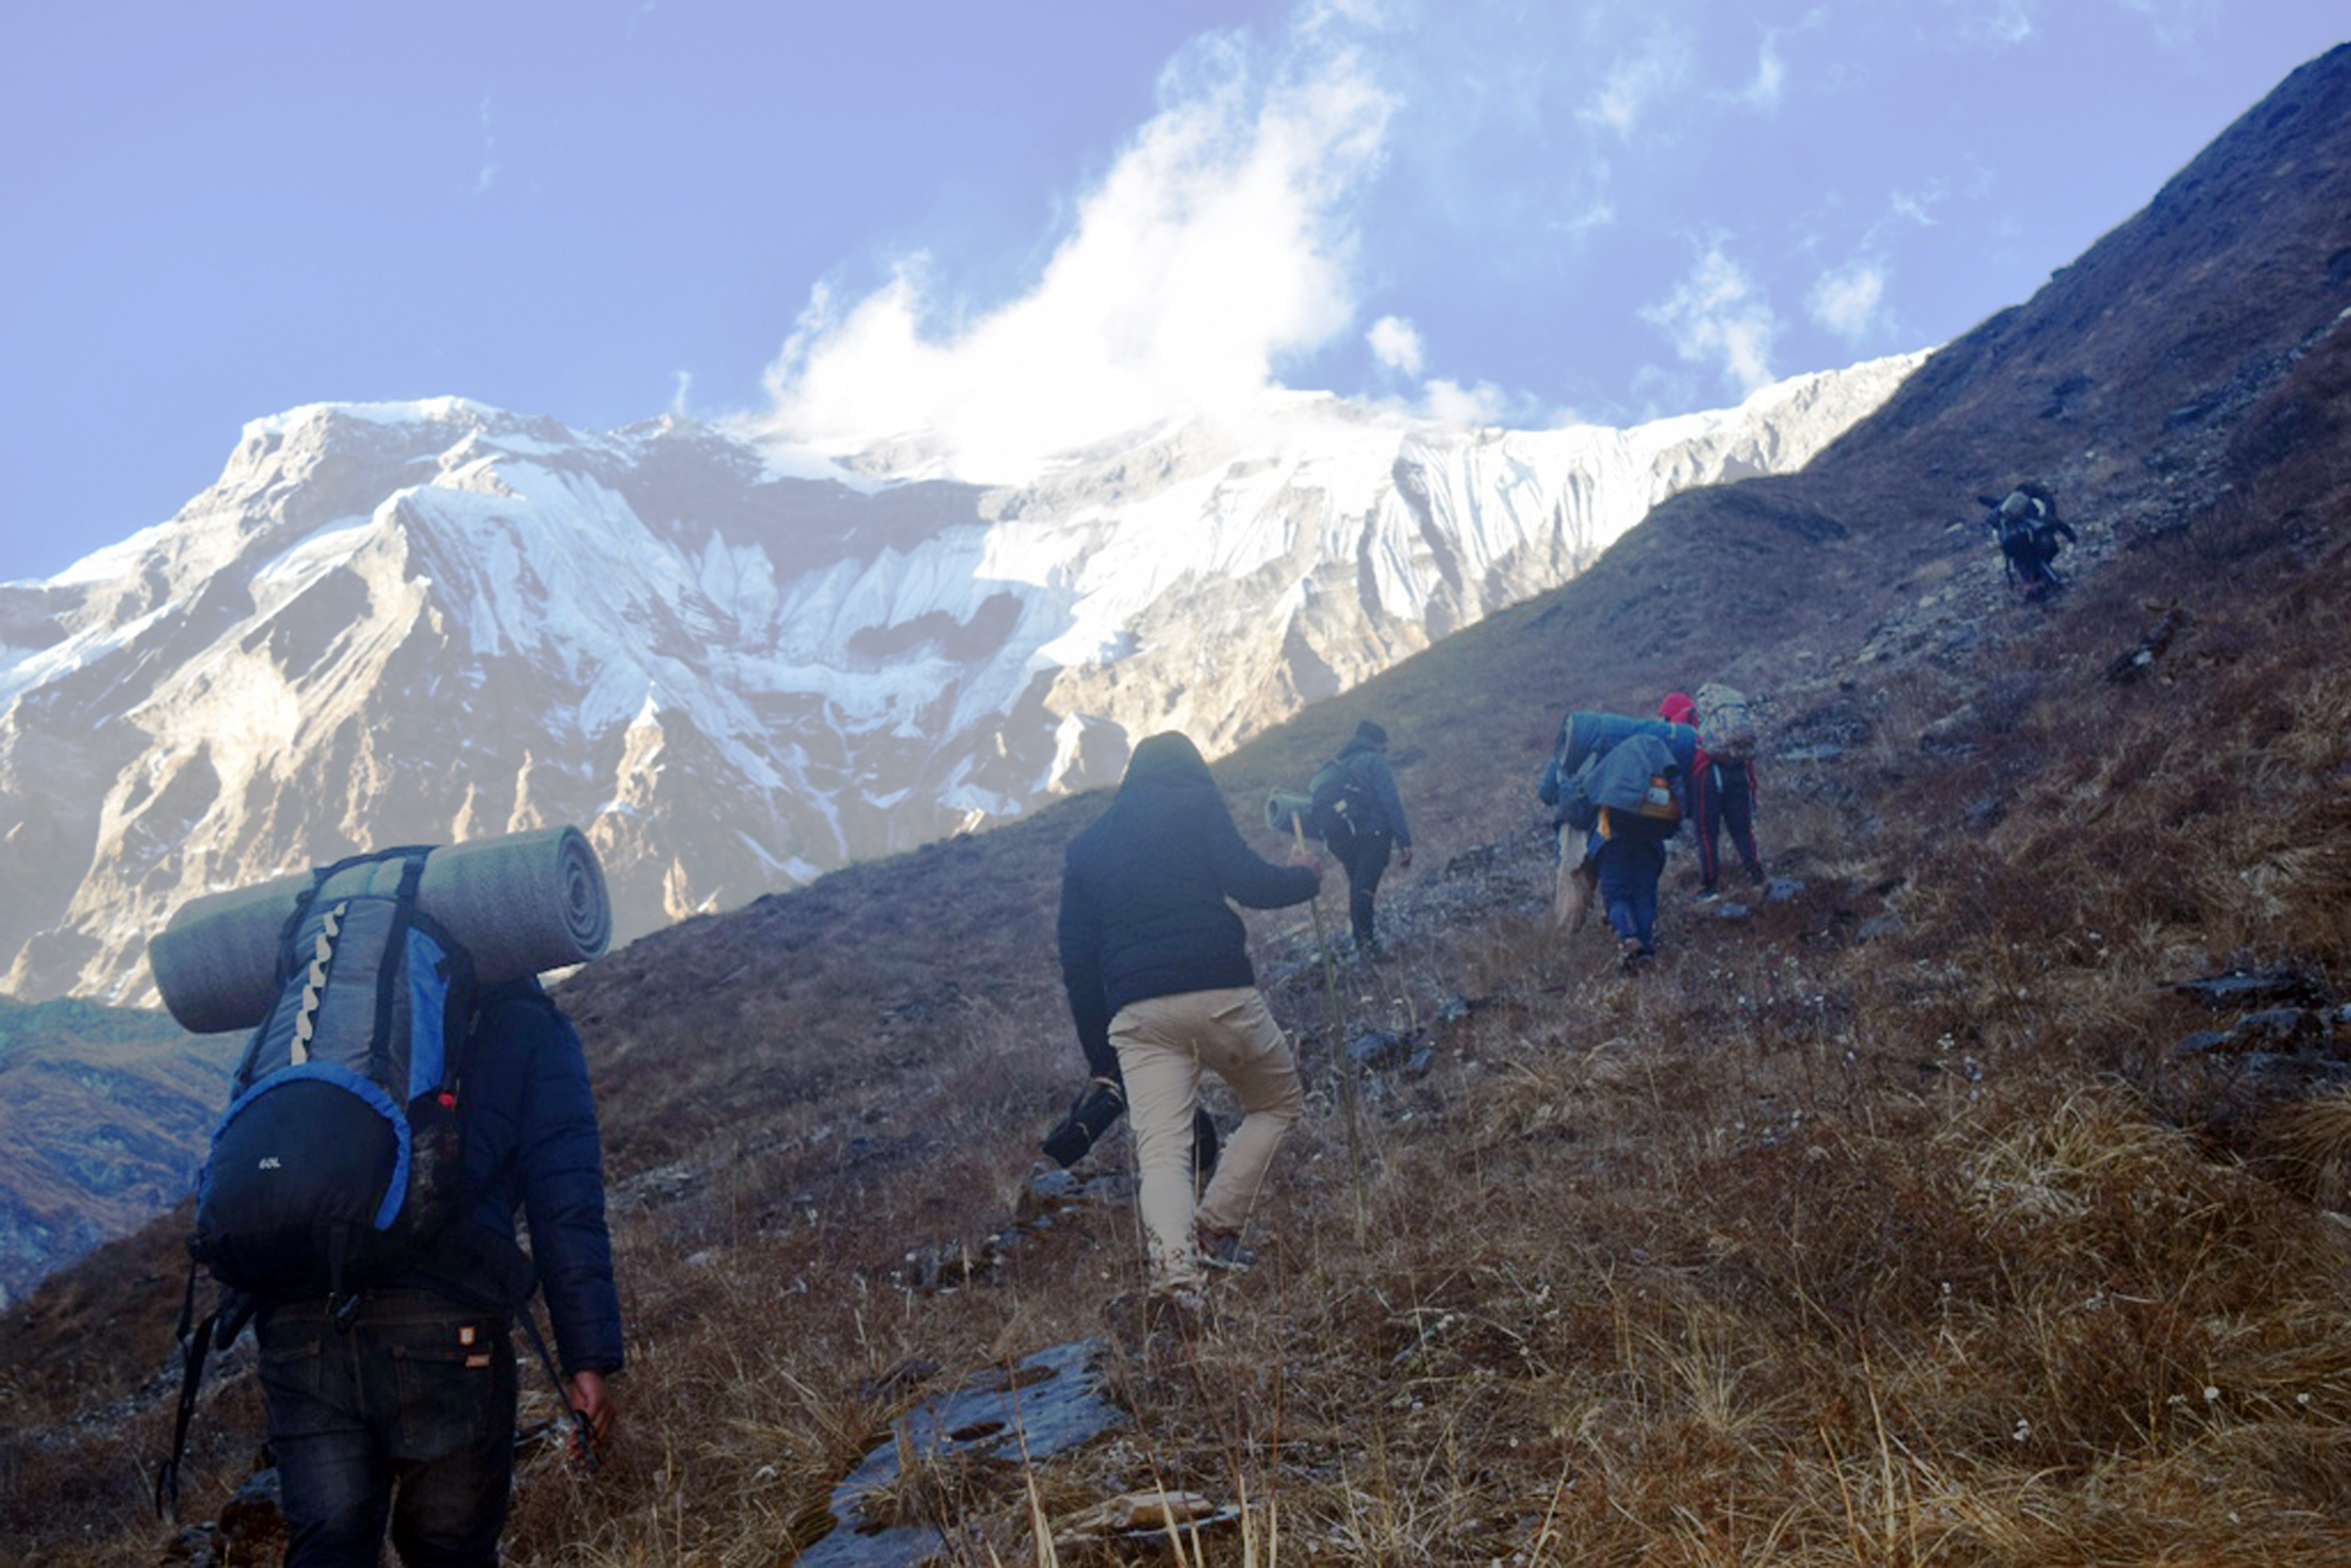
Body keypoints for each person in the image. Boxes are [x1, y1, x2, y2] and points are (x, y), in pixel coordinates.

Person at [253, 978, 624, 1566]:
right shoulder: (527, 1024)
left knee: (327, 1551)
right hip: (443, 1323)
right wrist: (587, 1360)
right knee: (449, 1552)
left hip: (299, 1322)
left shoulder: (330, 1004)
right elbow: (566, 1209)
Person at [1057, 731, 1320, 1308]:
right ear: (1192, 771)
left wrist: (1103, 1063)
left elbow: (1077, 964)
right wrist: (1305, 876)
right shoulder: (1197, 804)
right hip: (1221, 993)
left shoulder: (1088, 848)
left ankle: (1177, 1286)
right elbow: (1249, 881)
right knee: (1276, 1102)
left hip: (1139, 1015)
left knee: (1161, 1155)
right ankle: (1216, 1227)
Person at [1313, 720, 1414, 960]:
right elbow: (1389, 801)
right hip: (1373, 834)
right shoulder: (1374, 760)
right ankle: (1368, 949)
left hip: (1345, 838)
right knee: (1365, 890)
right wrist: (1404, 839)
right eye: (1385, 747)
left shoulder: (1341, 765)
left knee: (1358, 889)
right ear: (1378, 743)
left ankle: (1361, 945)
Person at [1659, 692, 1764, 896]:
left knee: (1707, 833)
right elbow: (1747, 762)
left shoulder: (1680, 721)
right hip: (1738, 774)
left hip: (1707, 777)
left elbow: (1676, 768)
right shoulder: (1720, 724)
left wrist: (1683, 806)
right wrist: (1752, 789)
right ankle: (1757, 876)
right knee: (1742, 830)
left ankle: (1710, 886)